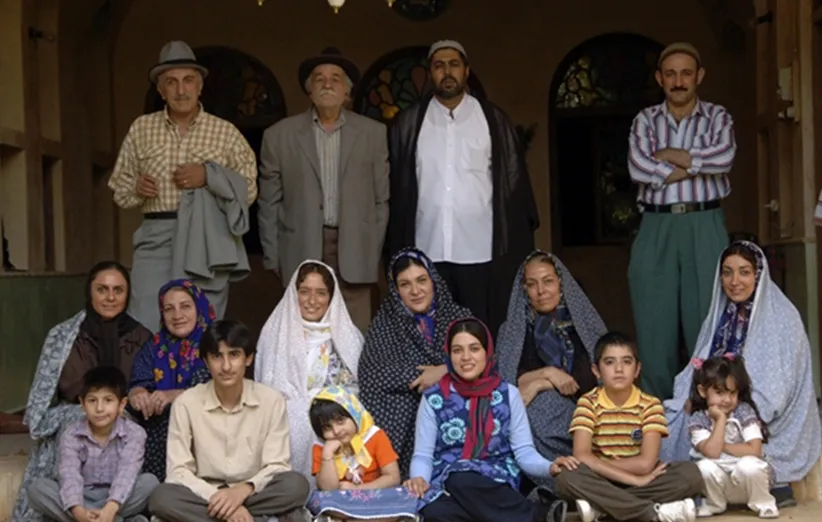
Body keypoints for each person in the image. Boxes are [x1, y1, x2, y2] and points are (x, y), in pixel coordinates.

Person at [386, 39, 538, 333]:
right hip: (427, 248)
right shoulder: (410, 123)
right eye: (439, 66)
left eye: (454, 64)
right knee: (430, 333)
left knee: (479, 331)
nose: (447, 72)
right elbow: (396, 188)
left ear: (466, 71)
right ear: (430, 73)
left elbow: (513, 184)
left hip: (479, 249)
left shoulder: (492, 119)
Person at [108, 40, 257, 330]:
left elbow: (249, 189)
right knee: (146, 322)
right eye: (171, 82)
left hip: (207, 238)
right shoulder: (142, 128)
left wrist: (209, 176)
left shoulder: (225, 133)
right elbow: (120, 188)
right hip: (156, 236)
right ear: (160, 90)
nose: (180, 89)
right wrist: (137, 188)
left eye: (188, 80)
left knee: (202, 326)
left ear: (200, 87)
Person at [662, 241, 822, 493]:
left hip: (760, 409)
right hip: (716, 400)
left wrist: (733, 406)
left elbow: (779, 386)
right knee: (668, 421)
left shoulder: (783, 316)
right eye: (727, 272)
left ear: (758, 275)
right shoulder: (721, 315)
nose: (734, 281)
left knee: (735, 430)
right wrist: (699, 397)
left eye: (744, 272)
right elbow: (701, 363)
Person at [627, 42, 736, 399]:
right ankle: (657, 411)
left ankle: (710, 407)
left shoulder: (718, 117)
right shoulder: (645, 120)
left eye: (686, 73)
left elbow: (724, 158)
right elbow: (638, 167)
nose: (678, 81)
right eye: (670, 74)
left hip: (704, 223)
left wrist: (668, 158)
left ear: (699, 76)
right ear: (659, 78)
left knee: (706, 318)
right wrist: (695, 164)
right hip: (656, 225)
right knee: (653, 320)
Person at [258, 47, 389, 331]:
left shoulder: (373, 133)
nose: (327, 84)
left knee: (355, 332)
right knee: (302, 333)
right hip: (300, 246)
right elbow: (269, 202)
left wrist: (371, 248)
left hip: (355, 248)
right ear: (309, 90)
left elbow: (381, 200)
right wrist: (272, 256)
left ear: (347, 91)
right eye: (319, 79)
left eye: (335, 79)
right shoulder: (279, 135)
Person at [12, 261, 152, 522]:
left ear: (127, 294)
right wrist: (79, 413)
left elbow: (148, 389)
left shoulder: (142, 337)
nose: (110, 297)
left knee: (149, 483)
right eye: (102, 289)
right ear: (90, 292)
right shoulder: (63, 336)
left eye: (118, 290)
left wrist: (128, 404)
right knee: (38, 489)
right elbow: (41, 402)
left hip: (124, 427)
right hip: (74, 426)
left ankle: (96, 515)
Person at [403, 317, 574, 522]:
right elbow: (423, 455)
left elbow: (524, 452)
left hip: (494, 479)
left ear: (487, 352)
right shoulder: (434, 398)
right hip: (443, 481)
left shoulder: (508, 394)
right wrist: (419, 479)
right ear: (449, 355)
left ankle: (530, 514)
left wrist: (549, 467)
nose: (466, 357)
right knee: (435, 512)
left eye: (474, 349)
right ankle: (537, 514)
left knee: (460, 479)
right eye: (457, 350)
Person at [149, 319, 310, 522]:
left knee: (296, 485)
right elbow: (178, 470)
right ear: (206, 362)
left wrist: (243, 490)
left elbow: (277, 465)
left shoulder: (271, 400)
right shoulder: (186, 403)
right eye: (217, 356)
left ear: (248, 358)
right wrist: (222, 501)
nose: (226, 366)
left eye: (234, 355)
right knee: (161, 497)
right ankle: (246, 518)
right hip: (205, 493)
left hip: (252, 492)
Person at [554, 332, 704, 522]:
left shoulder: (650, 404)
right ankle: (654, 513)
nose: (619, 369)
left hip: (632, 480)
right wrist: (634, 480)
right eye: (609, 362)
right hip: (604, 481)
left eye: (626, 362)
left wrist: (597, 465)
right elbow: (582, 455)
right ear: (596, 371)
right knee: (566, 475)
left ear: (637, 369)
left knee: (691, 474)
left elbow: (645, 464)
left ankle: (603, 507)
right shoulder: (588, 403)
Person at [358, 248, 471, 477]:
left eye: (421, 280)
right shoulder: (385, 324)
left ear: (433, 281)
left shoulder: (460, 318)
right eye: (405, 284)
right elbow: (371, 374)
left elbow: (485, 361)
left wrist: (446, 371)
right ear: (396, 290)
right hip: (404, 410)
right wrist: (421, 378)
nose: (416, 291)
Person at [497, 251, 605, 483]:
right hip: (536, 421)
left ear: (561, 284)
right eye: (532, 284)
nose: (541, 291)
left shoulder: (584, 324)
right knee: (537, 409)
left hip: (588, 414)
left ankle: (578, 480)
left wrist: (538, 384)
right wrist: (547, 375)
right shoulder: (513, 330)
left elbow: (595, 376)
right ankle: (557, 483)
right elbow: (506, 381)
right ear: (524, 289)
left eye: (548, 281)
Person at [255, 260, 364, 481]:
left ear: (331, 297)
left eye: (321, 293)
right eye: (304, 292)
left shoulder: (349, 336)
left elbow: (358, 392)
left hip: (336, 426)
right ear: (293, 294)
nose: (312, 301)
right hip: (285, 428)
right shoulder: (274, 333)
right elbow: (266, 391)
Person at [27, 367, 158, 522]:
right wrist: (78, 512)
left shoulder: (134, 433)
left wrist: (110, 509)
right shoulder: (71, 434)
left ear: (122, 404)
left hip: (119, 498)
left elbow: (127, 473)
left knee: (150, 482)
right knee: (37, 488)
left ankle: (101, 518)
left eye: (108, 400)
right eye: (92, 401)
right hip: (82, 496)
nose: (99, 408)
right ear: (82, 404)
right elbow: (70, 475)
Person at [126, 279, 214, 482]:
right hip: (157, 436)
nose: (177, 315)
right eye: (169, 309)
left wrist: (176, 395)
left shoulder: (215, 344)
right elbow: (139, 382)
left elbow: (220, 389)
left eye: (185, 306)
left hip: (205, 432)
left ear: (199, 307)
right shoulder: (155, 346)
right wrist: (138, 394)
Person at [307, 386, 418, 522]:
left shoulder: (375, 436)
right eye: (327, 428)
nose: (336, 431)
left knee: (403, 497)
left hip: (376, 495)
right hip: (342, 501)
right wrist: (328, 455)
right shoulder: (322, 447)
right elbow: (328, 489)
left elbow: (393, 477)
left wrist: (358, 489)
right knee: (320, 500)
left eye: (340, 421)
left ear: (354, 414)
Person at [687, 356, 778, 518]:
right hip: (722, 486)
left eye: (732, 393)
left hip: (747, 484)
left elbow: (754, 450)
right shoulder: (698, 419)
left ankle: (764, 503)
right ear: (702, 391)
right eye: (719, 392)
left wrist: (721, 446)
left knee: (748, 465)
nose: (727, 400)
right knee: (704, 467)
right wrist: (721, 420)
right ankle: (715, 504)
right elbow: (712, 453)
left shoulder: (743, 411)